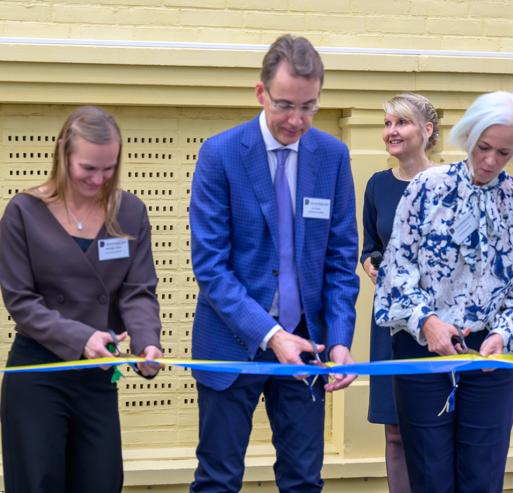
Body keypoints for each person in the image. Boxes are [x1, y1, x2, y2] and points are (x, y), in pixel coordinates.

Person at [189, 35, 360, 492]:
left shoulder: (333, 156)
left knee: (304, 480)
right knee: (218, 479)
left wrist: (340, 340)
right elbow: (210, 267)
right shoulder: (220, 154)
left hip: (307, 345)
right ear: (261, 92)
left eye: (309, 107)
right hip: (230, 342)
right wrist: (272, 336)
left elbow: (342, 261)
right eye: (285, 104)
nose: (296, 120)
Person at [374, 91, 513, 493]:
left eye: (504, 152)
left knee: (482, 477)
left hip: (492, 357)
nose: (490, 160)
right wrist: (428, 322)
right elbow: (395, 273)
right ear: (468, 134)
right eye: (484, 147)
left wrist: (502, 335)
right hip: (422, 349)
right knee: (429, 477)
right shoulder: (425, 188)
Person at [0, 106, 164, 493]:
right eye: (88, 167)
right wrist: (79, 338)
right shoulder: (22, 212)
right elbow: (20, 300)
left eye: (108, 168)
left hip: (97, 375)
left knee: (102, 482)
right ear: (63, 154)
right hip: (38, 373)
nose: (98, 178)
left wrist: (146, 341)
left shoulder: (131, 212)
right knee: (38, 483)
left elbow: (138, 290)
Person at [361, 92, 438, 493]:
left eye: (401, 123)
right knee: (394, 429)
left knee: (436, 426)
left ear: (426, 131)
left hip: (438, 321)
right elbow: (370, 243)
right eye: (387, 123)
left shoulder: (449, 183)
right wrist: (369, 260)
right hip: (390, 320)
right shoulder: (377, 185)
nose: (392, 131)